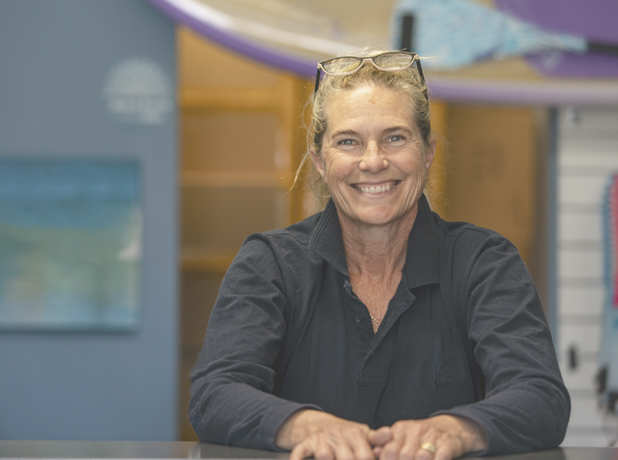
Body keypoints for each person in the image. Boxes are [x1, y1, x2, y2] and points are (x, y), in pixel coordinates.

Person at [189, 49, 570, 460]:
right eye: (348, 142)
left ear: (427, 152)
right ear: (319, 160)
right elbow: (214, 393)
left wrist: (456, 430)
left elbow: (540, 396)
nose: (373, 161)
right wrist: (305, 425)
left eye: (395, 137)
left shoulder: (485, 263)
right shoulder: (270, 264)